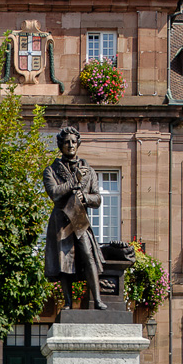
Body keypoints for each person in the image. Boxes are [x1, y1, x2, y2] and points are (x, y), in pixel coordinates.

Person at [42, 126, 107, 311]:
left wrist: (85, 198)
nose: (70, 145)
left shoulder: (89, 170)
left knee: (88, 256)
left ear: (78, 144)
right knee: (64, 261)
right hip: (61, 220)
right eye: (66, 142)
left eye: (73, 141)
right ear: (60, 145)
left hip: (79, 218)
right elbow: (54, 193)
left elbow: (98, 199)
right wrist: (74, 183)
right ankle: (68, 302)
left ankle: (98, 300)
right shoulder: (51, 170)